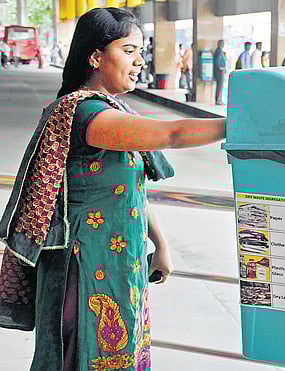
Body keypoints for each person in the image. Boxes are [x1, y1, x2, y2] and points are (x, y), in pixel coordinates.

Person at [0, 7, 225, 371]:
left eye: (141, 51)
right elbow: (173, 133)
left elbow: (130, 188)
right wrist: (239, 123)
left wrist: (160, 243)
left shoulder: (114, 110)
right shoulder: (86, 114)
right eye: (128, 50)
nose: (139, 61)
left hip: (123, 263)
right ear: (95, 56)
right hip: (85, 268)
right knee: (83, 358)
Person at [213, 39, 226, 105]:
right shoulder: (219, 51)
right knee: (220, 86)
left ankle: (219, 99)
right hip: (219, 71)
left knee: (219, 85)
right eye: (223, 43)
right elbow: (217, 60)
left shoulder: (218, 50)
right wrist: (221, 68)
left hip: (219, 71)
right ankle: (218, 100)